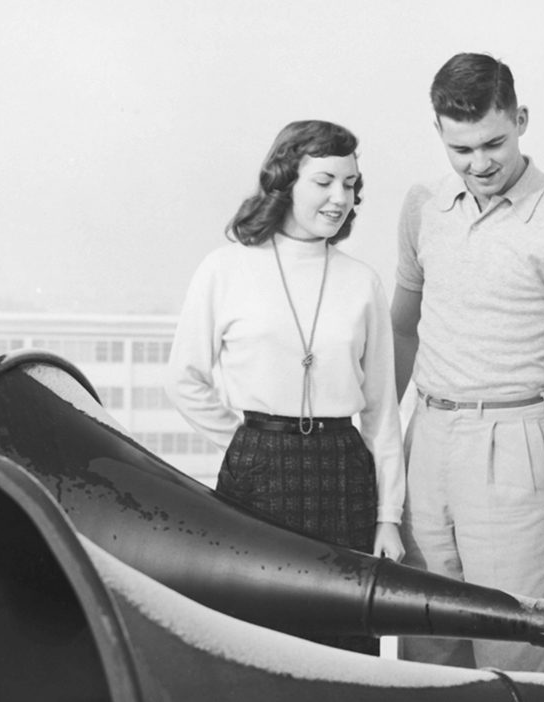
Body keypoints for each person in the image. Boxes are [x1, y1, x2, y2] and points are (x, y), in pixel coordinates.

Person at [391, 53, 544, 672]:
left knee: (516, 649)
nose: (479, 164)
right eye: (461, 149)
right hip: (429, 441)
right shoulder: (422, 206)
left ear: (521, 118)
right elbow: (402, 329)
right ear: (440, 135)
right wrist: (383, 445)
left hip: (517, 442)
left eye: (493, 143)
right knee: (427, 650)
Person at [166, 119, 405, 656]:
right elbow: (184, 379)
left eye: (349, 184)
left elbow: (382, 413)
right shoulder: (224, 269)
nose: (339, 198)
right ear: (285, 181)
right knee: (256, 638)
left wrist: (388, 517)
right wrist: (246, 442)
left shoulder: (362, 281)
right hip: (258, 471)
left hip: (344, 476)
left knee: (344, 642)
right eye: (324, 181)